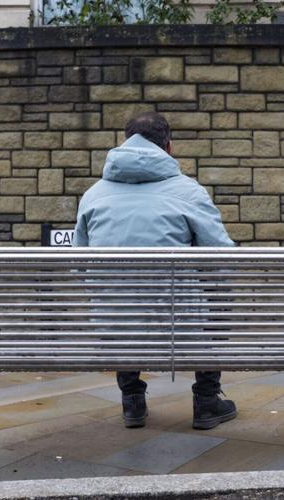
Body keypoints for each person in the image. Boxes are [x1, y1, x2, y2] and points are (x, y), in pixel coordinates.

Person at [73, 112, 237, 430]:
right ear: (169, 147)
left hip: (117, 329)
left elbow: (80, 266)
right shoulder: (189, 192)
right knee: (219, 292)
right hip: (179, 327)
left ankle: (132, 400)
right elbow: (222, 261)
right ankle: (206, 401)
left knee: (120, 297)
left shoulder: (93, 195)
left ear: (124, 144)